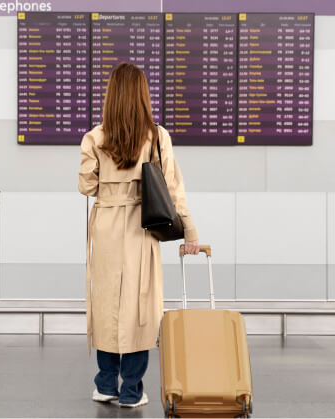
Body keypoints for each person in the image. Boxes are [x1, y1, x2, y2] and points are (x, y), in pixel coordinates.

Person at [78, 62, 199, 408]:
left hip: (105, 226)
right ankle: (131, 389)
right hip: (140, 226)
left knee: (104, 303)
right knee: (139, 305)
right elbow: (174, 191)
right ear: (143, 95)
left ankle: (105, 384)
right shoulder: (157, 136)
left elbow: (86, 187)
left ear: (111, 95)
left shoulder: (94, 138)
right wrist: (189, 230)